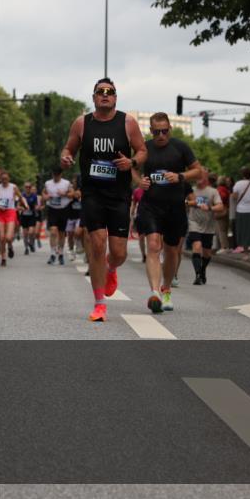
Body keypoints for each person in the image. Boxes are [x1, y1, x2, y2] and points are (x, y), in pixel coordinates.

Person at [60, 78, 147, 322]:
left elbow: (142, 150)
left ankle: (111, 268)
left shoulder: (128, 122)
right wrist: (66, 158)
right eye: (101, 92)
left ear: (116, 97)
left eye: (110, 92)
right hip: (92, 194)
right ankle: (99, 304)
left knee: (118, 253)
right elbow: (68, 149)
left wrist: (132, 163)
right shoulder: (82, 123)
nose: (105, 95)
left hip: (119, 195)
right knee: (97, 244)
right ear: (94, 97)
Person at [134, 113, 201, 313]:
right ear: (151, 131)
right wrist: (139, 181)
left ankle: (167, 289)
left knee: (172, 251)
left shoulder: (180, 147)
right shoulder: (144, 148)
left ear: (170, 128)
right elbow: (130, 166)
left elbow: (198, 171)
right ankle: (154, 292)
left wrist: (180, 176)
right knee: (153, 246)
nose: (161, 135)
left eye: (164, 131)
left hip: (175, 206)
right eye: (156, 132)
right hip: (151, 205)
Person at [186, 167, 225, 285]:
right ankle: (197, 275)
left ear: (206, 178)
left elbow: (220, 207)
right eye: (197, 177)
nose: (198, 179)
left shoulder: (213, 191)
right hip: (194, 222)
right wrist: (189, 203)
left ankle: (202, 271)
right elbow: (183, 202)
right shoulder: (191, 191)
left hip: (208, 225)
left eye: (201, 177)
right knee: (197, 246)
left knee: (207, 253)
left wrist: (209, 208)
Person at [0, 171, 28, 267]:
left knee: (9, 237)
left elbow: (21, 197)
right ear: (0, 180)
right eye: (2, 179)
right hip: (0, 213)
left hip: (10, 212)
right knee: (1, 238)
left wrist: (25, 205)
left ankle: (10, 246)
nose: (4, 181)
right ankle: (3, 258)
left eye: (6, 179)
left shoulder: (13, 187)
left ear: (9, 179)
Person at [42, 167, 73, 265]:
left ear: (60, 174)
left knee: (62, 233)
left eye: (57, 175)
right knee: (53, 231)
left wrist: (64, 194)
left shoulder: (66, 183)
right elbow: (43, 193)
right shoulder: (48, 183)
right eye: (54, 174)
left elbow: (72, 194)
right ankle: (52, 254)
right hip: (52, 209)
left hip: (64, 209)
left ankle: (60, 253)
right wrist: (46, 197)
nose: (55, 176)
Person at [20, 181, 40, 255]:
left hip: (31, 216)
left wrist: (37, 207)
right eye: (26, 187)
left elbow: (36, 205)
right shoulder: (22, 195)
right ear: (24, 188)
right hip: (24, 216)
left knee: (31, 232)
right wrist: (21, 208)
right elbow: (18, 206)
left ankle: (31, 243)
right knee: (25, 234)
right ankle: (26, 248)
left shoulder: (34, 196)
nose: (28, 188)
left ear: (31, 188)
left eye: (29, 187)